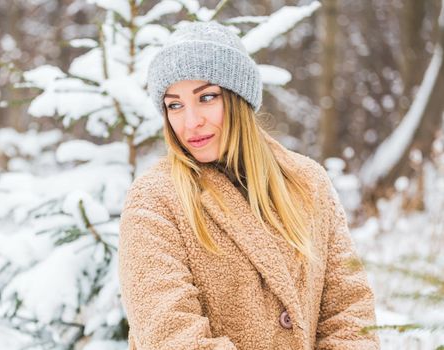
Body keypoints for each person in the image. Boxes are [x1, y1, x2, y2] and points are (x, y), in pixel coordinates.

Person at [117, 21, 380, 350]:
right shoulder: (155, 199)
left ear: (238, 97)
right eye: (175, 105)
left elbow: (349, 308)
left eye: (207, 97)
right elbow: (170, 333)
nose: (191, 121)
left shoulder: (307, 181)